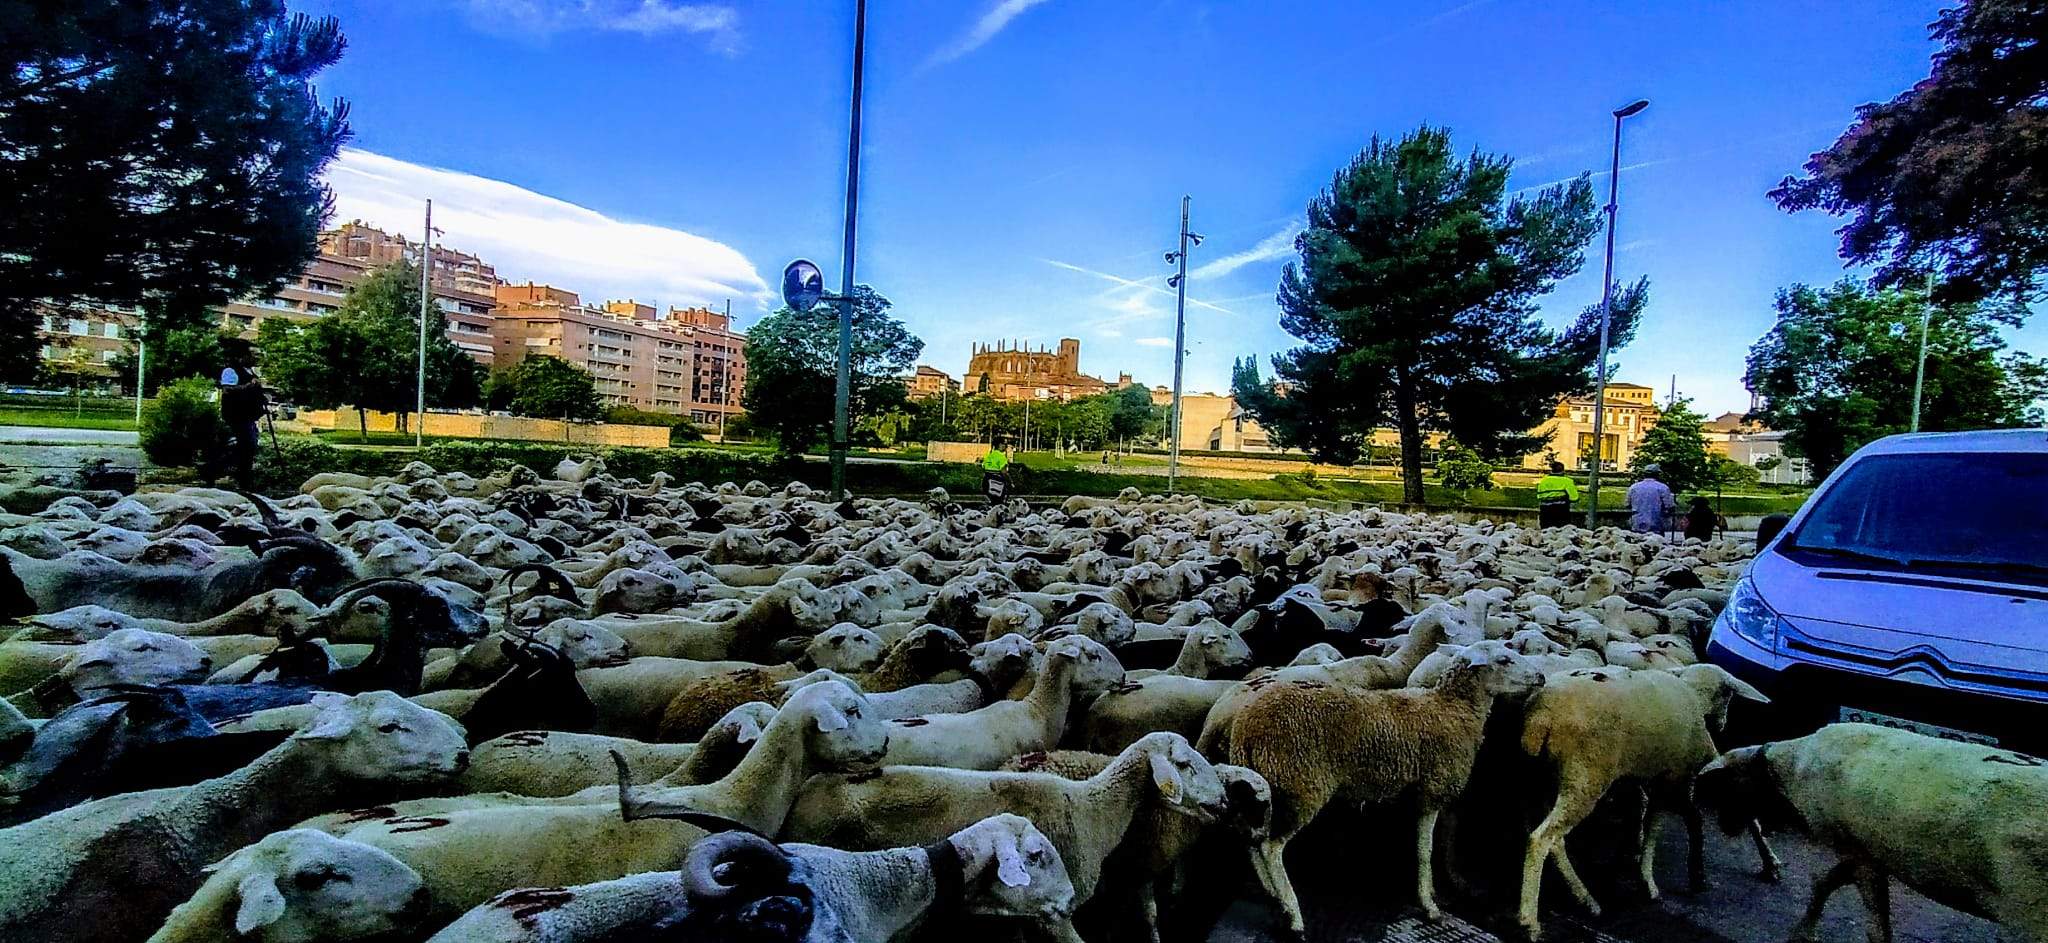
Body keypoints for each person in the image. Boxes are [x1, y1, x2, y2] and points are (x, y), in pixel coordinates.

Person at [215, 338, 267, 490]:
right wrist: (248, 386)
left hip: (249, 417)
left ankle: (244, 479)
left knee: (249, 448)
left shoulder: (249, 371)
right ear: (242, 356)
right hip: (236, 417)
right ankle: (235, 477)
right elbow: (228, 389)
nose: (254, 358)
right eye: (251, 354)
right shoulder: (231, 370)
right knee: (245, 447)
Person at [1625, 464, 1677, 534]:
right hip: (1656, 525)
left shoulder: (1633, 487)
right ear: (1657, 475)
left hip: (1637, 524)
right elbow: (1669, 506)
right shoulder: (1663, 488)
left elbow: (1627, 504)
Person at [1534, 460, 1579, 529]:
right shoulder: (1567, 481)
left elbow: (1539, 496)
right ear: (1563, 470)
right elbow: (1574, 498)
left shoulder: (1543, 481)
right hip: (1560, 511)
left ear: (1551, 470)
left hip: (1545, 511)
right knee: (1561, 532)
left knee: (1546, 532)